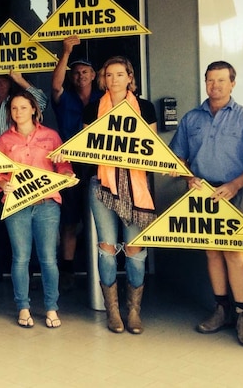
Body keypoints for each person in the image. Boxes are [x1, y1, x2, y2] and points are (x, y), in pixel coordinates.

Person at [169, 61, 243, 347]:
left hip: (238, 193)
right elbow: (179, 158)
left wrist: (234, 185)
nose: (215, 86)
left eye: (222, 80)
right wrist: (188, 178)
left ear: (233, 83)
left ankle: (242, 316)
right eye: (210, 80)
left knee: (236, 255)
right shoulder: (190, 119)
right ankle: (221, 310)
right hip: (204, 196)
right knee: (212, 253)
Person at [84, 56, 157, 335]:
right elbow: (86, 146)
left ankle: (134, 311)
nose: (113, 79)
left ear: (130, 78)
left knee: (135, 250)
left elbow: (151, 146)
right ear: (103, 80)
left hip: (135, 184)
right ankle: (112, 311)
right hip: (101, 185)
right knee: (106, 248)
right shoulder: (93, 109)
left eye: (119, 74)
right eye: (108, 75)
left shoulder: (146, 107)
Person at [0, 91, 73, 329]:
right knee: (20, 259)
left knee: (49, 259)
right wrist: (1, 183)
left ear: (34, 109)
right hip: (16, 205)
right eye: (14, 108)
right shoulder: (4, 140)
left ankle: (51, 308)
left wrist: (68, 175)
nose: (19, 112)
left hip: (46, 204)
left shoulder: (51, 136)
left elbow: (63, 166)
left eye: (23, 107)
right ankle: (23, 308)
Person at [0, 71, 47, 286]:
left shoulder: (18, 105)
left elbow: (41, 99)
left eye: (3, 81)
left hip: (26, 175)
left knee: (31, 227)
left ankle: (32, 274)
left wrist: (17, 77)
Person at [51, 35, 103, 291]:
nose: (80, 75)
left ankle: (101, 268)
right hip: (70, 166)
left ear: (94, 75)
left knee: (99, 219)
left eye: (85, 71)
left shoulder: (104, 100)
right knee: (70, 220)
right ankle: (68, 269)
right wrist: (66, 53)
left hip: (99, 165)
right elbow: (56, 85)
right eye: (76, 72)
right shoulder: (65, 97)